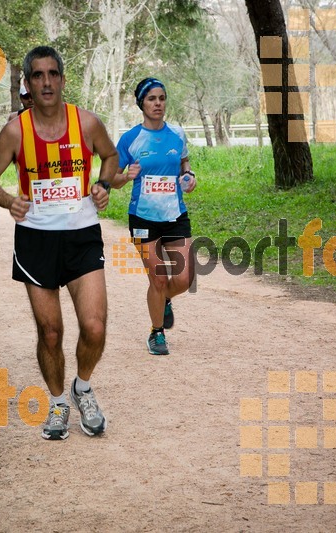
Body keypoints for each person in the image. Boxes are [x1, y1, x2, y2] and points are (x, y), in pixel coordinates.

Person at [0, 46, 118, 441]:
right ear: (27, 83)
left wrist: (104, 184)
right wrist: (11, 201)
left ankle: (83, 389)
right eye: (37, 76)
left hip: (81, 236)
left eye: (52, 74)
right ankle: (58, 402)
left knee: (94, 326)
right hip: (36, 240)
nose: (46, 82)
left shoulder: (87, 123)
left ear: (62, 79)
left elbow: (110, 156)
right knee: (51, 332)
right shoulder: (15, 131)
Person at [111, 77, 196, 356]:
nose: (158, 103)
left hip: (175, 215)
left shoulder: (177, 134)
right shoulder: (130, 139)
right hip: (143, 218)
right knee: (158, 279)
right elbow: (111, 178)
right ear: (141, 104)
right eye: (151, 99)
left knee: (184, 279)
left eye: (161, 98)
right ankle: (156, 333)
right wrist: (125, 176)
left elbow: (184, 162)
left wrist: (188, 175)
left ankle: (166, 299)